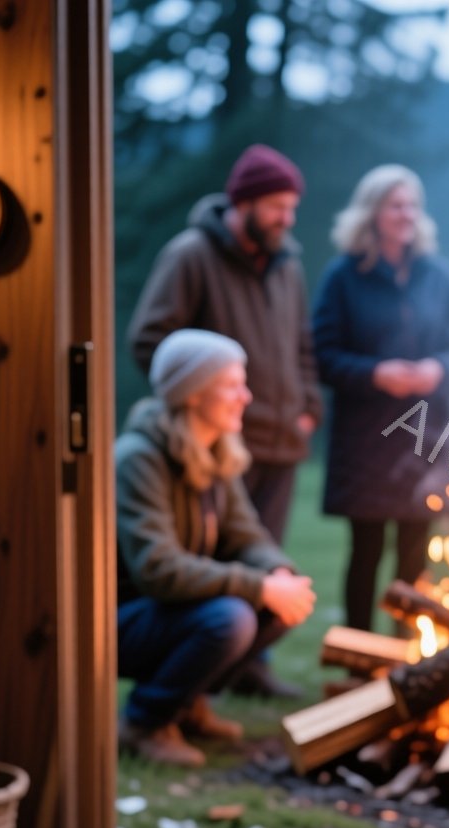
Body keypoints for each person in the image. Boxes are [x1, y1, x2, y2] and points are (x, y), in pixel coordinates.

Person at [128, 143, 322, 698]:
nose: (287, 218)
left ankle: (242, 672)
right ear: (244, 203)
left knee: (265, 558)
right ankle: (189, 684)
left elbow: (302, 345)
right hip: (208, 441)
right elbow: (149, 338)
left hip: (279, 439)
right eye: (276, 207)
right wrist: (197, 400)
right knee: (209, 570)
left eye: (292, 207)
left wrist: (309, 406)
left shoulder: (287, 264)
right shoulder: (191, 255)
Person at [114, 329, 317, 768]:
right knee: (231, 618)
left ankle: (187, 706)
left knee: (284, 598)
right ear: (192, 393)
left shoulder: (215, 452)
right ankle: (143, 721)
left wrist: (278, 573)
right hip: (120, 621)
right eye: (231, 384)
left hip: (167, 611)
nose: (245, 396)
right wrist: (257, 587)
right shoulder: (138, 459)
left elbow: (247, 536)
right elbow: (157, 569)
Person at [313, 165, 449, 636]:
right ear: (372, 212)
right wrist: (375, 374)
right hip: (366, 433)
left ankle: (407, 653)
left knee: (415, 547)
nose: (405, 214)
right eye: (395, 204)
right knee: (365, 550)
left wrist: (437, 370)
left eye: (412, 205)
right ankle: (360, 654)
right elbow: (322, 354)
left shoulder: (437, 276)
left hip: (426, 430)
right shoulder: (343, 276)